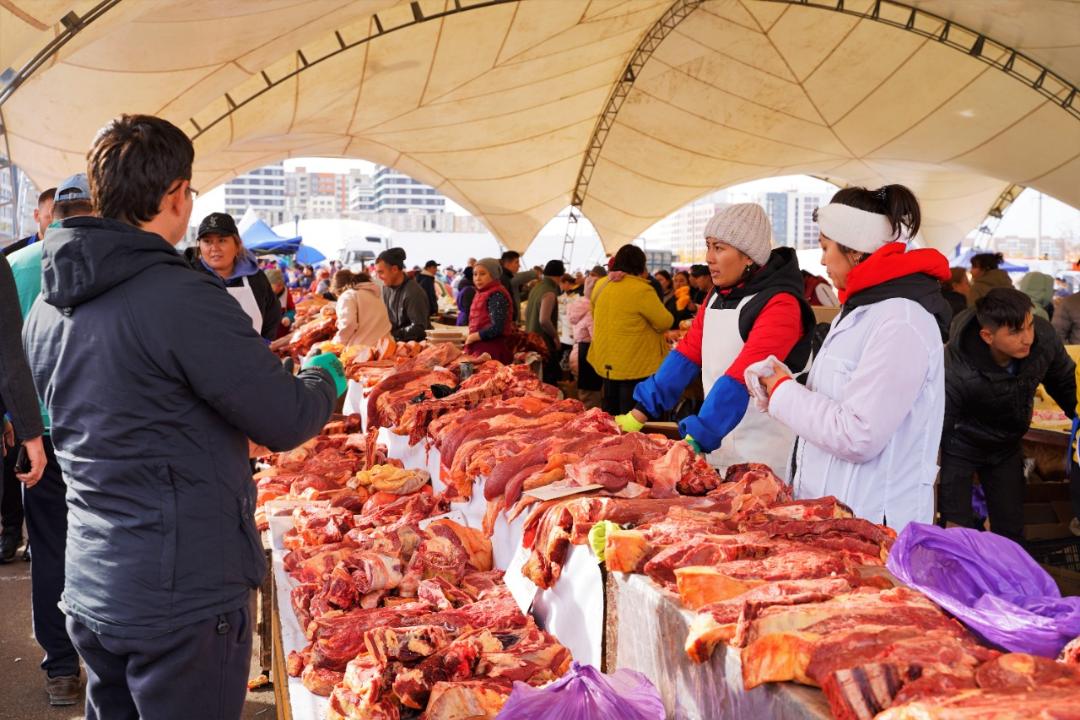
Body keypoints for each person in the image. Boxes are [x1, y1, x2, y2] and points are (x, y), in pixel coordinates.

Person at [21, 114, 343, 720]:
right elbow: (286, 419)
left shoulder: (46, 302)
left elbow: (132, 408)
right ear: (174, 195)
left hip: (94, 578)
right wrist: (323, 376)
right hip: (182, 593)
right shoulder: (179, 296)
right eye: (189, 192)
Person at [751, 185, 951, 530]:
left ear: (856, 252)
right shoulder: (863, 307)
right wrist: (788, 384)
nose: (823, 260)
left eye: (827, 248)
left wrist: (785, 391)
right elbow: (843, 399)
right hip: (837, 515)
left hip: (874, 523)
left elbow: (859, 434)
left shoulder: (902, 321)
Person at [620, 204, 814, 475]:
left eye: (719, 248)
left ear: (748, 256)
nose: (709, 257)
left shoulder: (781, 304)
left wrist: (694, 440)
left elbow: (744, 375)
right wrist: (639, 413)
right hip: (717, 443)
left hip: (763, 451)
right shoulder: (717, 295)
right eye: (708, 246)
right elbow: (687, 353)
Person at [7, 173, 93, 705]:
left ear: (47, 215)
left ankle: (61, 666)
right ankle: (108, 661)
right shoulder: (118, 260)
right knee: (116, 543)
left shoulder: (15, 266)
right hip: (101, 431)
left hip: (35, 430)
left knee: (49, 548)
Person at [939, 288, 1075, 544]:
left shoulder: (1043, 340)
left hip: (1006, 445)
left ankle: (1008, 580)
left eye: (1030, 326)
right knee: (957, 528)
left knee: (1010, 527)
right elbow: (940, 423)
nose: (1027, 338)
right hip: (960, 445)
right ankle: (958, 579)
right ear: (987, 336)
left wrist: (1077, 414)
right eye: (1015, 332)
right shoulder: (955, 367)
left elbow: (1063, 381)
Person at [588, 246, 674, 415]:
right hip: (634, 364)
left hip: (606, 361)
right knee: (631, 421)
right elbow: (665, 322)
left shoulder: (601, 284)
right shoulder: (641, 289)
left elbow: (594, 312)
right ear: (641, 265)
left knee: (610, 416)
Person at [191, 212, 282, 343]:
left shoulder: (255, 278)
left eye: (222, 240)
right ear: (199, 246)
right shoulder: (190, 278)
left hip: (250, 357)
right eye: (207, 241)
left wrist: (263, 344)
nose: (214, 248)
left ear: (237, 244)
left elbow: (272, 314)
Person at [464, 258, 514, 363]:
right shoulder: (481, 292)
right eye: (475, 274)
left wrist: (473, 337)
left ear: (493, 275)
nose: (477, 278)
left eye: (482, 274)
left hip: (492, 351)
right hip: (480, 349)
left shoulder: (497, 294)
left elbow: (497, 327)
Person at [375, 247, 431, 341]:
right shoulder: (386, 288)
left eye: (381, 272)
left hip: (414, 347)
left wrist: (392, 335)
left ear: (394, 269)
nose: (378, 277)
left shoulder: (413, 292)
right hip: (393, 343)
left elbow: (419, 328)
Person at [525, 260, 565, 384]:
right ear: (561, 275)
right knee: (547, 383)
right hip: (543, 344)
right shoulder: (549, 292)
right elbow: (544, 320)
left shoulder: (537, 287)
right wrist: (555, 337)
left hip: (531, 340)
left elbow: (527, 312)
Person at [567, 274, 602, 409]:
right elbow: (596, 337)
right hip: (587, 355)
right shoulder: (591, 310)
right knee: (591, 400)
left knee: (583, 395)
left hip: (576, 353)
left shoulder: (577, 305)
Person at [332, 269, 391, 348]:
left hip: (364, 350)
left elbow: (349, 325)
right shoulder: (370, 293)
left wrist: (336, 345)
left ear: (338, 289)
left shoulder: (347, 296)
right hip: (387, 345)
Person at [3, 187, 55, 257]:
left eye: (63, 218)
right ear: (36, 215)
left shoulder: (73, 252)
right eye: (50, 217)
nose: (57, 223)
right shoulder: (9, 255)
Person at [264, 268, 296, 339]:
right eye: (276, 286)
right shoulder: (261, 293)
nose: (279, 287)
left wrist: (288, 317)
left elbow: (292, 310)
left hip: (281, 333)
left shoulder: (286, 293)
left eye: (280, 285)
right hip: (265, 333)